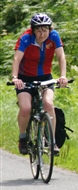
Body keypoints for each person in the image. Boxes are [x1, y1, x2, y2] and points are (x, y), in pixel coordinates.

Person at [11, 13, 68, 155]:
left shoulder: (54, 37)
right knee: (25, 108)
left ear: (50, 29)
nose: (42, 34)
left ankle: (52, 141)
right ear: (33, 30)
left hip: (45, 77)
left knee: (48, 104)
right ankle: (23, 137)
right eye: (38, 30)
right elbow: (17, 59)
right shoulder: (26, 38)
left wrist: (62, 76)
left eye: (45, 30)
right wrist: (15, 77)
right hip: (25, 78)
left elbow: (61, 57)